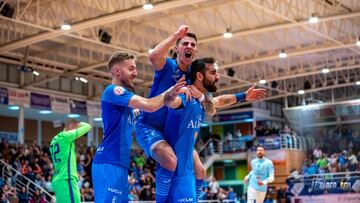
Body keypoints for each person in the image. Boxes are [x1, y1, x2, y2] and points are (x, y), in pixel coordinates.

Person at [136, 25, 268, 202]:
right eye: (184, 43)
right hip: (150, 127)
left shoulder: (193, 76)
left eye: (192, 44)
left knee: (200, 170)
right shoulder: (168, 65)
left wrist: (243, 96)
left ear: (196, 51)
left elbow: (215, 103)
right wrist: (176, 34)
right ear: (177, 49)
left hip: (171, 131)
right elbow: (153, 56)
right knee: (170, 160)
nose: (189, 46)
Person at [163, 57, 266, 202]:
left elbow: (218, 102)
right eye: (213, 73)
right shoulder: (187, 95)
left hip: (185, 155)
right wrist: (170, 95)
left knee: (201, 171)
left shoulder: (202, 99)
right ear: (199, 76)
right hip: (175, 160)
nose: (218, 77)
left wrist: (243, 96)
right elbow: (171, 102)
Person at [91, 51, 188, 203]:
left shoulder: (124, 105)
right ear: (117, 71)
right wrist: (170, 92)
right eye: (131, 68)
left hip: (119, 163)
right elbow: (149, 105)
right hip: (109, 162)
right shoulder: (113, 91)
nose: (135, 73)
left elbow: (144, 111)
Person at [49, 119, 91, 203]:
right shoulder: (66, 136)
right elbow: (87, 126)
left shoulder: (54, 140)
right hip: (67, 180)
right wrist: (79, 124)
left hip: (58, 180)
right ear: (71, 128)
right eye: (76, 129)